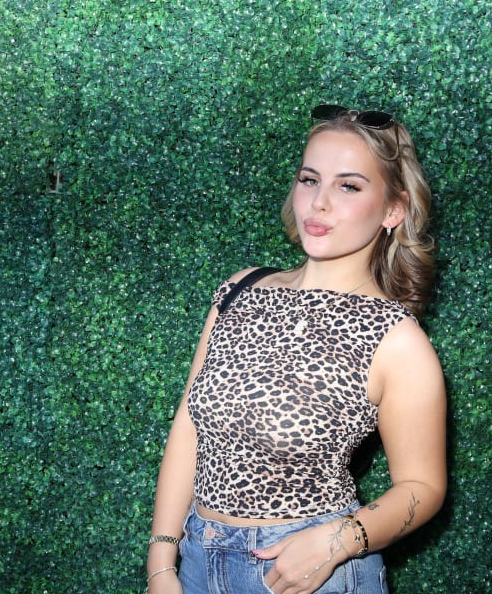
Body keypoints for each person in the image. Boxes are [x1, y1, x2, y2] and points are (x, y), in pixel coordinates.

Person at [146, 104, 447, 594]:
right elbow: (189, 427)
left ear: (394, 210)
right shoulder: (241, 289)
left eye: (349, 186)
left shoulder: (396, 338)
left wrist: (339, 540)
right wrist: (162, 561)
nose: (319, 203)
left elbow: (424, 487)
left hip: (310, 570)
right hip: (197, 561)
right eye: (310, 180)